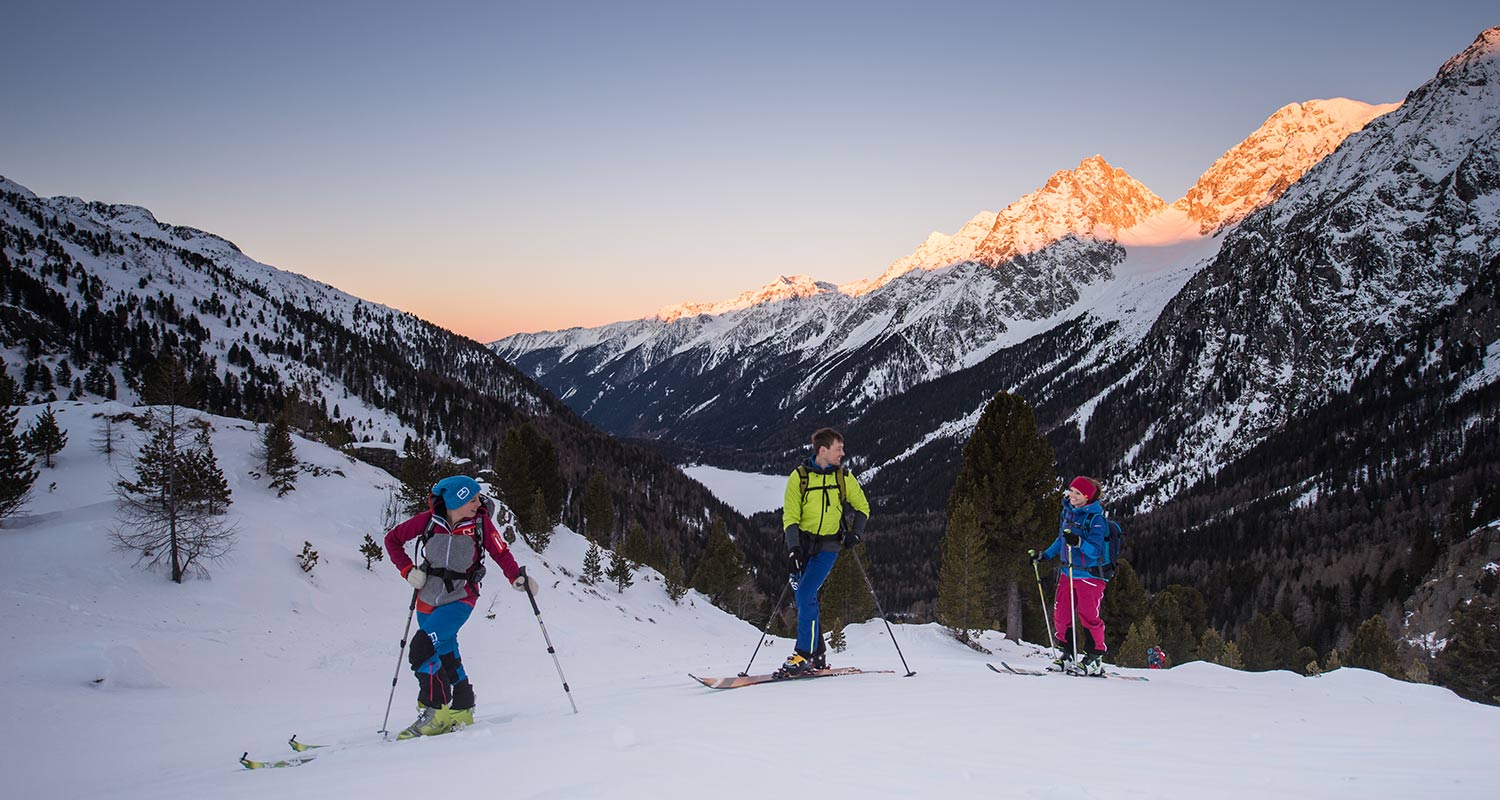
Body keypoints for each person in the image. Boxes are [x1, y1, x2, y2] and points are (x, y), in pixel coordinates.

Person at [384, 475, 540, 739]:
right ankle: (462, 704)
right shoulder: (428, 521)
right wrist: (407, 570)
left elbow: (500, 552)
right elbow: (393, 540)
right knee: (444, 649)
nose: (479, 503)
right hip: (427, 597)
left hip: (461, 597)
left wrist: (516, 577)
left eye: (478, 498)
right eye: (472, 499)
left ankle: (437, 711)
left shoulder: (480, 523)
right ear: (455, 500)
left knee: (421, 649)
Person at [779, 428, 871, 677]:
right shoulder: (799, 478)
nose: (843, 453)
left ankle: (803, 654)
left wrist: (857, 533)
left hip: (829, 547)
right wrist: (793, 550)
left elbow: (863, 506)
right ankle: (818, 652)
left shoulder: (843, 477)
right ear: (823, 450)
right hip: (803, 547)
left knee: (806, 593)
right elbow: (790, 517)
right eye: (838, 448)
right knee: (805, 598)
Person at [1030, 476, 1110, 676]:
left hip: (1090, 576)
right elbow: (1060, 539)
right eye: (1071, 490)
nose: (1071, 495)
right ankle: (1068, 654)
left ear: (1087, 496)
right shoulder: (1067, 512)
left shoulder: (1096, 519)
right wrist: (1045, 555)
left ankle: (1094, 658)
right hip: (1068, 572)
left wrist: (1078, 542)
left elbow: (1096, 551)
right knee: (1061, 614)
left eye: (1077, 493)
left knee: (1089, 615)